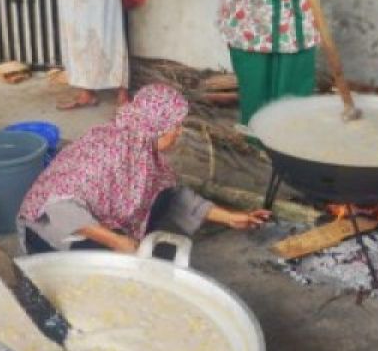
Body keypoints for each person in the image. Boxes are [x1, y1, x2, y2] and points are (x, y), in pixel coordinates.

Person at [18, 84, 270, 254]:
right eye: (176, 127)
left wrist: (231, 218)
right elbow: (58, 210)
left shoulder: (141, 146)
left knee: (159, 195)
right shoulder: (109, 153)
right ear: (156, 126)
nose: (180, 133)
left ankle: (117, 239)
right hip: (49, 235)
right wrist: (119, 242)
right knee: (113, 279)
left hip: (88, 219)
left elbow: (173, 195)